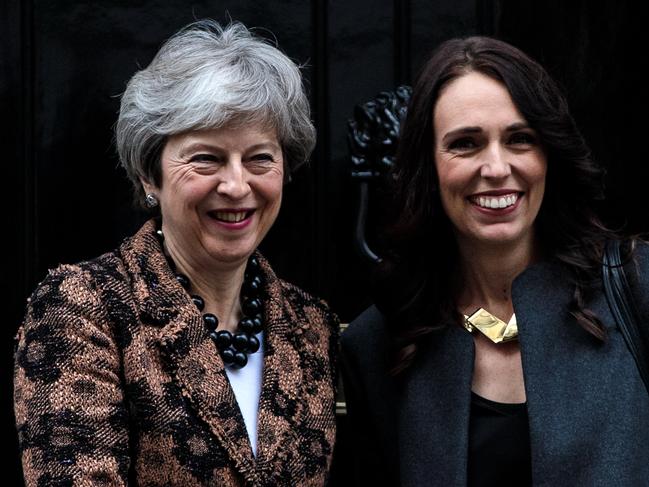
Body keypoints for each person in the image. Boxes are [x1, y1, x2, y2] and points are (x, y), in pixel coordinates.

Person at [14, 20, 338, 486]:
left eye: (259, 158)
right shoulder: (82, 308)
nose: (236, 185)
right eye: (206, 158)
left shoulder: (311, 325)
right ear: (150, 175)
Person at [341, 36, 649, 486]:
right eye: (466, 144)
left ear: (550, 155)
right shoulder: (379, 343)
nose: (496, 167)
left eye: (520, 139)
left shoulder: (638, 288)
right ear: (428, 166)